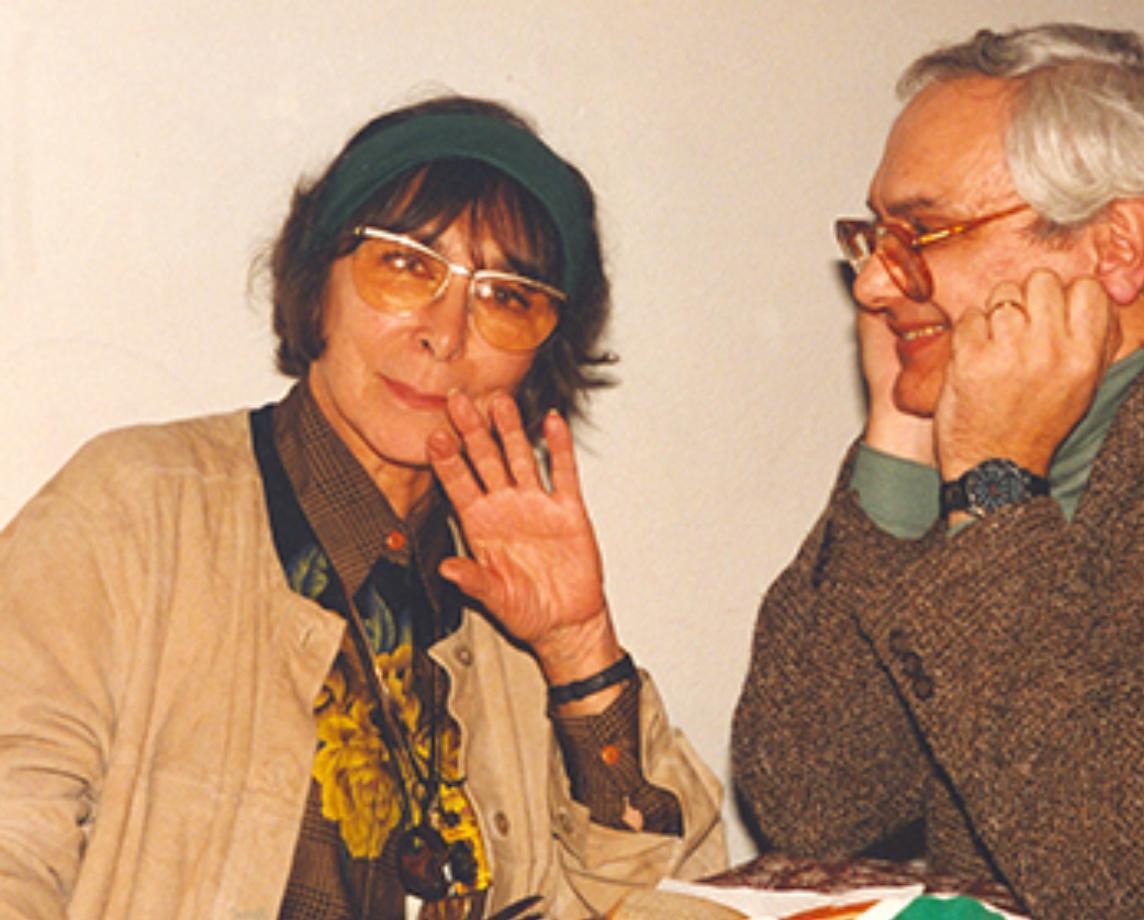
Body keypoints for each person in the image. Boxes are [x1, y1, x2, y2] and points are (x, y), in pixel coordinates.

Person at [0, 95, 725, 920]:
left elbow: (689, 904)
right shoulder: (137, 508)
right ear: (319, 283)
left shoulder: (518, 603)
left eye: (506, 297)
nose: (446, 334)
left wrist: (579, 651)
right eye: (406, 266)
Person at [732, 22, 1144, 919]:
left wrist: (994, 483)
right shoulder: (977, 417)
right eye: (877, 238)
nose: (874, 286)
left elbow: (1098, 858)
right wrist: (898, 449)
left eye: (922, 233)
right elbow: (812, 803)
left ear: (1115, 247)